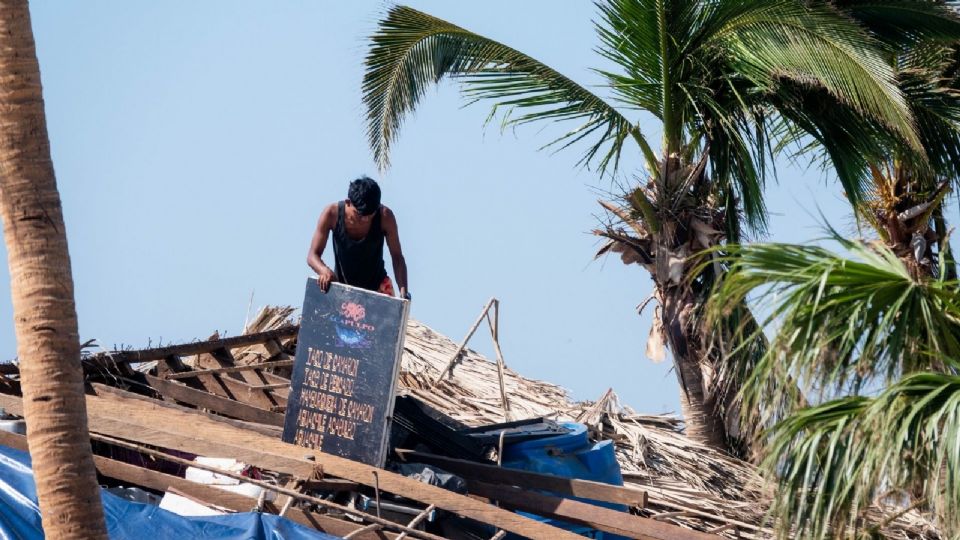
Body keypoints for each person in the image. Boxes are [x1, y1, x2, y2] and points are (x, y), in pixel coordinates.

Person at [307, 176, 409, 300]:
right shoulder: (331, 214)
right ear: (348, 202)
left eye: (370, 215)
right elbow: (312, 255)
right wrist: (324, 270)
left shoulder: (385, 217)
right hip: (342, 291)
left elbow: (397, 257)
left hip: (378, 291)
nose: (365, 219)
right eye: (360, 214)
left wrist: (404, 291)